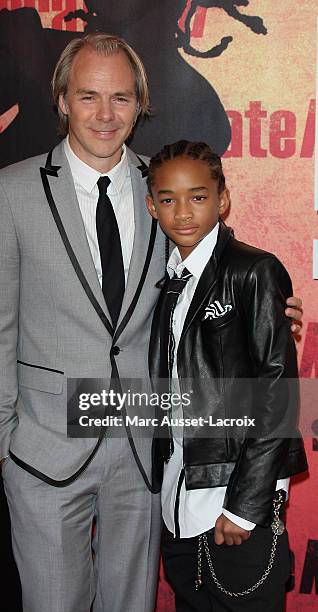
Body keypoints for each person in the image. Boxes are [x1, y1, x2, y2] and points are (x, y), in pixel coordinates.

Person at [0, 34, 303, 612]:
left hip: (145, 449)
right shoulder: (8, 192)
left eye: (121, 98)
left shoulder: (164, 186)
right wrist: (4, 442)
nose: (104, 114)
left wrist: (267, 308)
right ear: (62, 99)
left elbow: (211, 274)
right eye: (89, 96)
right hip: (43, 447)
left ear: (141, 103)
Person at [146, 139, 308, 612]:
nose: (183, 212)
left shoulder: (253, 270)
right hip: (179, 505)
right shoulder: (167, 278)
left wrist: (245, 504)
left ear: (223, 199)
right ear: (152, 206)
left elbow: (277, 394)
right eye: (168, 199)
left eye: (197, 196)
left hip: (236, 507)